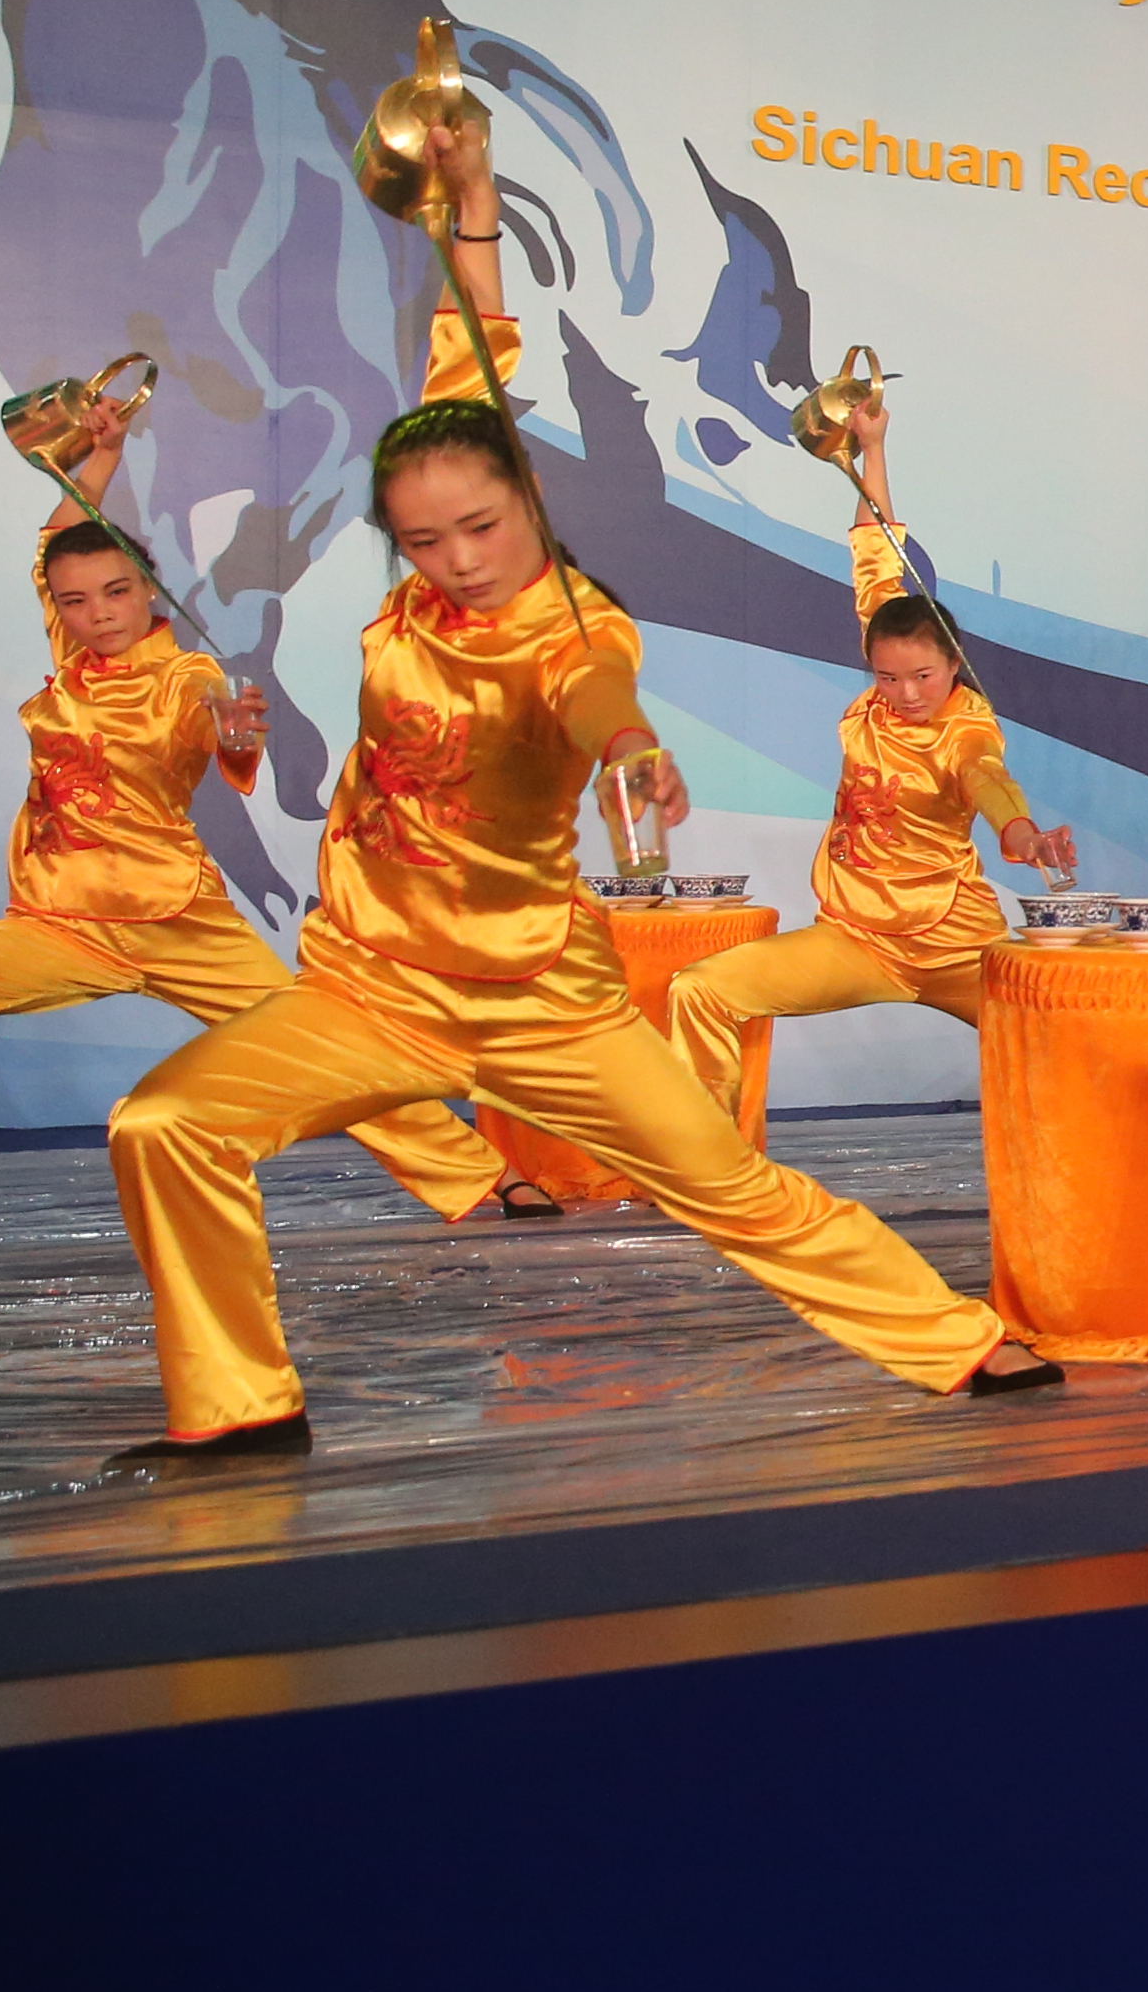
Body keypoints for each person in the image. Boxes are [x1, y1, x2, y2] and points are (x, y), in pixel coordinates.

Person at [102, 107, 1044, 1460]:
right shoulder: (421, 583)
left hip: (543, 1001)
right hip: (374, 990)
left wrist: (631, 749)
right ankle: (241, 1407)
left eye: (482, 527)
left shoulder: (573, 627)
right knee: (164, 1123)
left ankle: (964, 1341)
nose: (458, 557)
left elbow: (594, 694)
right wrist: (472, 194)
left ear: (529, 510)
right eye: (424, 540)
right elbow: (473, 344)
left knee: (731, 1187)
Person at [0, 395, 528, 1266]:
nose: (99, 612)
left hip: (180, 923)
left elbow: (215, 728)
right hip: (57, 925)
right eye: (76, 602)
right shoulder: (75, 659)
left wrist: (235, 734)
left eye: (117, 592)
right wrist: (103, 457)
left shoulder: (185, 675)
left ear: (147, 588)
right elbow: (58, 540)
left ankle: (485, 1176)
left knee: (317, 1050)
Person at [657, 384, 1070, 1118]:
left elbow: (986, 777)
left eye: (923, 677)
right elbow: (877, 558)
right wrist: (872, 449)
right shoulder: (888, 667)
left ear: (953, 665)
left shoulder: (966, 728)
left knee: (1067, 1046)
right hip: (853, 939)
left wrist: (1022, 831)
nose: (906, 692)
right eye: (888, 677)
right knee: (701, 990)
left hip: (954, 943)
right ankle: (710, 1160)